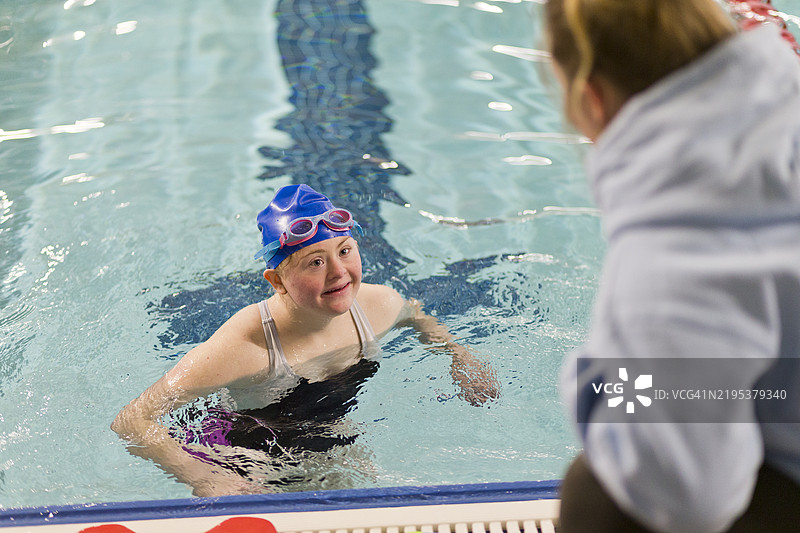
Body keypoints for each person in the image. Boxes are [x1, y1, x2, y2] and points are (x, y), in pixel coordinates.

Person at [544, 0, 800, 531]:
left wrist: (591, 385)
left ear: (590, 99)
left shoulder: (675, 251)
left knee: (597, 493)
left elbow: (686, 497)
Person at [112, 184, 499, 497]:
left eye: (345, 251)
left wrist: (457, 355)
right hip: (242, 447)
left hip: (325, 429)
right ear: (276, 281)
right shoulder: (242, 348)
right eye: (315, 261)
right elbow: (132, 419)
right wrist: (202, 476)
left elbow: (415, 314)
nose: (339, 273)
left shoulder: (379, 306)